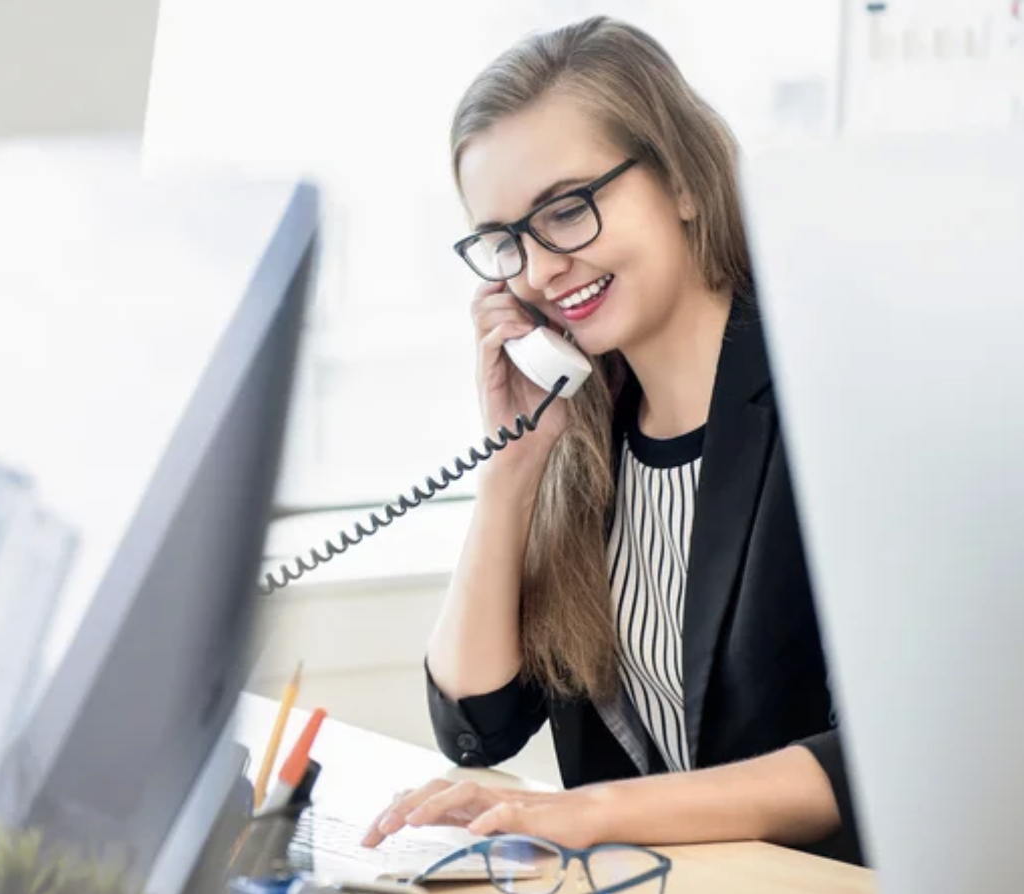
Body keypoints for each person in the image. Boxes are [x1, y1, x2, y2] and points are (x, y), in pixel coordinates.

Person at [361, 16, 863, 865]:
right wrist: (511, 471)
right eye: (503, 240)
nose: (538, 269)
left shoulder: (837, 395)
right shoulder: (587, 435)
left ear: (681, 182)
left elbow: (872, 762)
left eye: (565, 210)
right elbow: (476, 724)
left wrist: (595, 811)